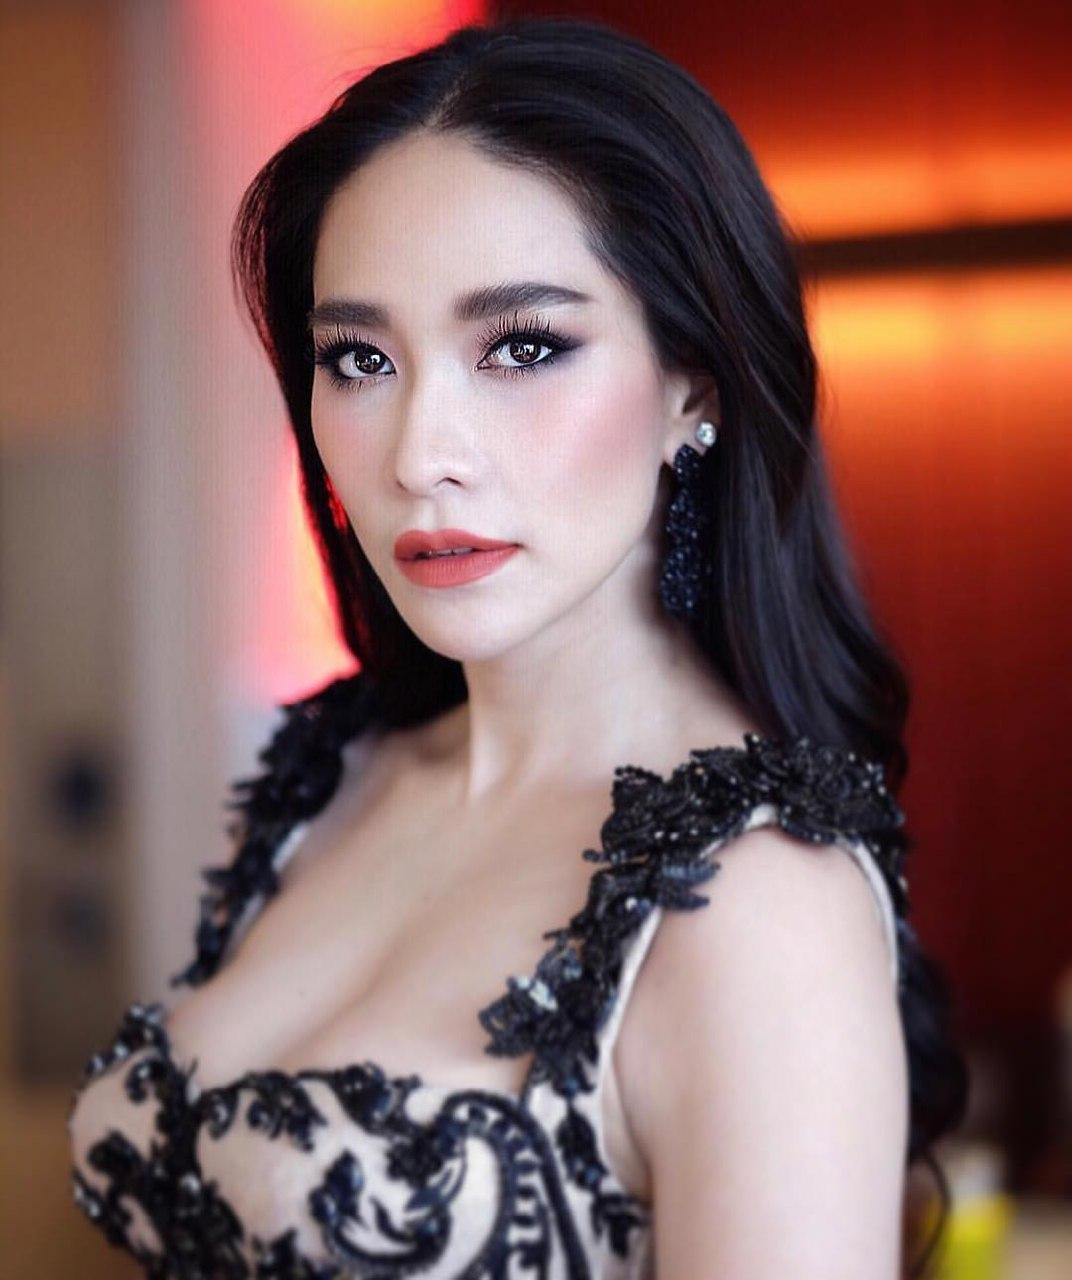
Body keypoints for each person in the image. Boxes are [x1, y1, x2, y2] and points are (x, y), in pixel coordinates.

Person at [66, 15, 968, 1279]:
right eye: (359, 358)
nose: (419, 452)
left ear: (693, 385)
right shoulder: (334, 775)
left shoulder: (755, 900)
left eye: (523, 347)